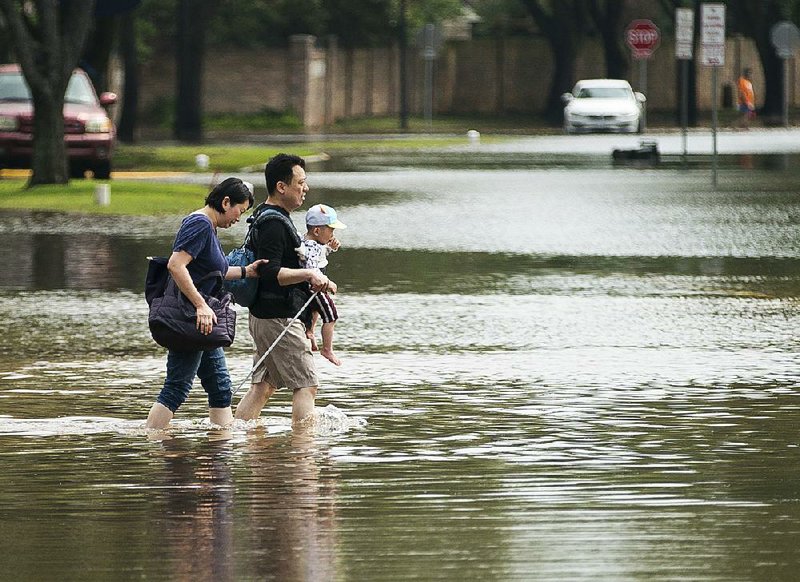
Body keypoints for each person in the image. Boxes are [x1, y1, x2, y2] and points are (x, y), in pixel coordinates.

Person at [145, 177, 268, 430]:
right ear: (225, 202)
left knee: (221, 386)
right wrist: (201, 305)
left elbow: (212, 271)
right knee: (177, 386)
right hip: (191, 318)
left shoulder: (208, 226)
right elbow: (175, 265)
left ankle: (220, 449)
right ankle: (152, 442)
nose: (238, 218)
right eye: (239, 210)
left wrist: (247, 271)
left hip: (203, 322)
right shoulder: (199, 223)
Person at [234, 154, 334, 426]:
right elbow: (270, 273)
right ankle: (303, 455)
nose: (306, 188)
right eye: (300, 182)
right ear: (281, 187)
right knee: (306, 385)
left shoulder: (267, 218)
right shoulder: (274, 224)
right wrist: (311, 274)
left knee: (263, 386)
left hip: (265, 316)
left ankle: (235, 439)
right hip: (278, 317)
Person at [297, 203, 347, 366]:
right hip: (314, 289)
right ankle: (327, 349)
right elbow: (311, 268)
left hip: (314, 289)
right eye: (331, 230)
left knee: (316, 311)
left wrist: (329, 247)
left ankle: (310, 332)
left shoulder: (315, 243)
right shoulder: (311, 247)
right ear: (317, 231)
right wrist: (327, 283)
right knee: (331, 315)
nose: (333, 234)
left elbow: (320, 255)